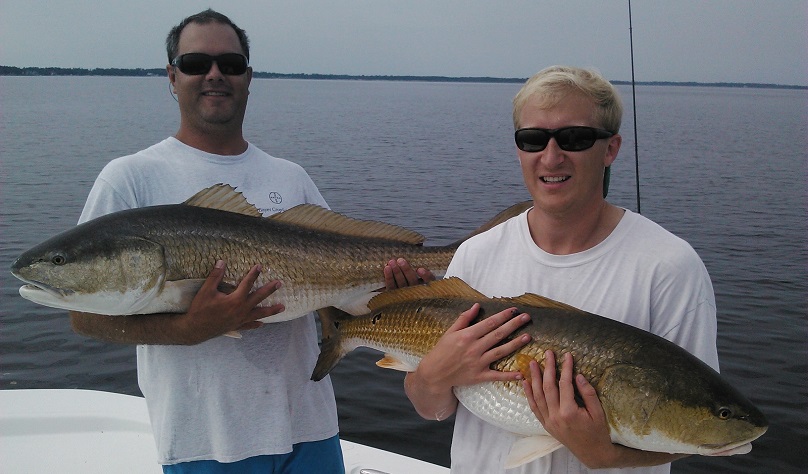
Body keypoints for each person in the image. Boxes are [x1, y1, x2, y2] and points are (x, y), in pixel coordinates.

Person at [67, 9, 406, 473]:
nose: (214, 75)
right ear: (171, 76)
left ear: (248, 77)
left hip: (310, 427)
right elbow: (84, 317)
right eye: (194, 63)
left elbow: (339, 298)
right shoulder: (129, 179)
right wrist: (189, 329)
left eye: (229, 64)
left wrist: (394, 287)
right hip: (205, 440)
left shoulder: (290, 177)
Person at [400, 66, 719, 473]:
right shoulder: (475, 255)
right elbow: (432, 409)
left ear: (611, 149)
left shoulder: (668, 267)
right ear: (519, 149)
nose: (551, 157)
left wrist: (606, 456)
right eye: (533, 139)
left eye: (575, 138)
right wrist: (430, 378)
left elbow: (697, 426)